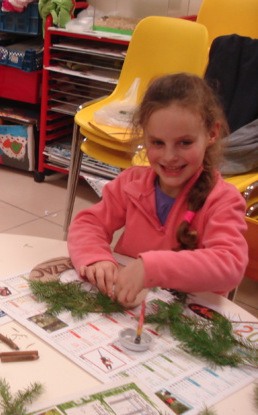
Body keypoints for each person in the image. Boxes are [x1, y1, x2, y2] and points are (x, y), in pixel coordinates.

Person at [67, 73, 248, 307]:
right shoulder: (131, 182)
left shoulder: (222, 200)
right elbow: (88, 224)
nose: (169, 156)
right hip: (129, 308)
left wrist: (151, 268)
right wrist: (96, 258)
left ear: (212, 134)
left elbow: (230, 265)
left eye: (185, 142)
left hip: (189, 315)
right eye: (157, 143)